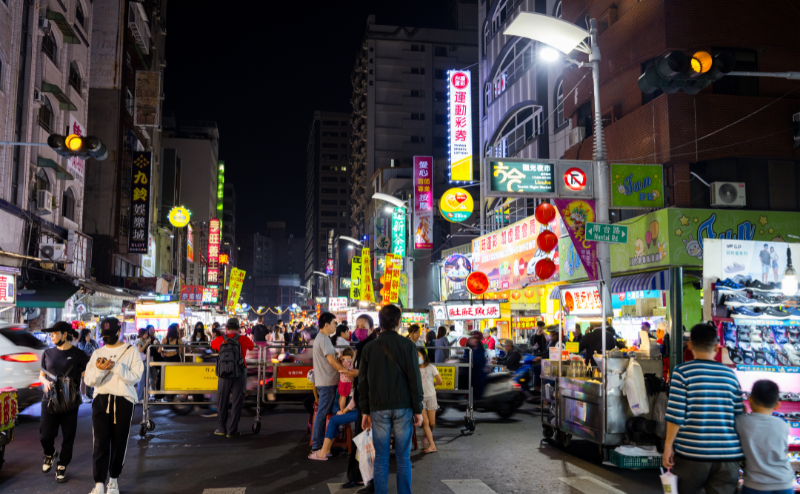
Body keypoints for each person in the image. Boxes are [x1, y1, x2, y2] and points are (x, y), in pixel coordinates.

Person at [663, 323, 744, 494]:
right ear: (716, 346)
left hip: (692, 454)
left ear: (690, 345)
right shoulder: (730, 375)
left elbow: (676, 414)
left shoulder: (682, 372)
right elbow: (738, 415)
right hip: (727, 456)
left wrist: (668, 446)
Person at [358, 304, 423, 494]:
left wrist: (364, 411)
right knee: (403, 457)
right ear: (399, 322)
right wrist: (418, 408)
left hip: (378, 408)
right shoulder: (408, 345)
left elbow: (363, 382)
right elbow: (414, 378)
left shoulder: (369, 348)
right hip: (403, 407)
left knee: (381, 458)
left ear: (380, 322)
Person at [83, 317, 143, 494]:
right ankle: (99, 484)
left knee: (120, 442)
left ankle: (114, 481)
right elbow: (88, 379)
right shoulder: (97, 353)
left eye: (110, 334)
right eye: (104, 335)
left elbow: (136, 376)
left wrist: (115, 366)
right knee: (100, 442)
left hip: (123, 401)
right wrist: (101, 369)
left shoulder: (131, 351)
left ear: (119, 332)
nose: (106, 338)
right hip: (101, 400)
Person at [39, 322, 90, 484]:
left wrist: (75, 380)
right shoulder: (47, 353)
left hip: (69, 402)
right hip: (49, 400)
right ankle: (50, 453)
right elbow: (42, 375)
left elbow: (88, 374)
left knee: (68, 436)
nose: (51, 336)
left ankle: (62, 465)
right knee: (45, 436)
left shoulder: (79, 354)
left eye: (54, 333)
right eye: (50, 333)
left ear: (65, 334)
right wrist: (44, 383)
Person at [735, 379, 795, 494]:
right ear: (777, 405)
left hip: (755, 484)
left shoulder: (740, 422)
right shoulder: (783, 424)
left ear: (750, 399)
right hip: (784, 483)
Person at [343, 315, 377, 491]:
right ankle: (357, 476)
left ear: (372, 328)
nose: (359, 330)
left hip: (368, 401)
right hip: (361, 399)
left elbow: (370, 374)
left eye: (363, 326)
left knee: (364, 440)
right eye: (357, 326)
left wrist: (357, 374)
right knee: (361, 440)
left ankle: (364, 479)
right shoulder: (360, 346)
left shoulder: (371, 347)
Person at [310, 313, 348, 457]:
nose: (335, 326)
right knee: (322, 414)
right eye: (333, 323)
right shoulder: (324, 339)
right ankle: (317, 446)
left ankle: (325, 445)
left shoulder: (321, 339)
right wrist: (345, 371)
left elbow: (331, 360)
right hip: (327, 383)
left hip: (326, 382)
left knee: (326, 414)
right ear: (326, 324)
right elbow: (331, 361)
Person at [309, 347, 357, 460]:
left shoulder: (344, 363)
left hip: (354, 409)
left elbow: (354, 401)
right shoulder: (352, 369)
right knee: (338, 409)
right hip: (355, 408)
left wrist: (343, 411)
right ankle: (327, 449)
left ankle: (324, 451)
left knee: (334, 418)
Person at [209, 318, 254, 436]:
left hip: (224, 373)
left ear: (226, 328)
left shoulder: (220, 339)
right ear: (239, 328)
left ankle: (221, 428)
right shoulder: (243, 339)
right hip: (239, 372)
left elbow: (212, 345)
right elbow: (252, 346)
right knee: (237, 401)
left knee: (222, 400)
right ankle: (232, 430)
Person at [417, 347, 442, 453]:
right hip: (420, 398)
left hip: (431, 396)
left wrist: (432, 384)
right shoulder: (415, 369)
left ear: (424, 355)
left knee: (432, 423)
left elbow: (439, 381)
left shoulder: (432, 367)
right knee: (425, 422)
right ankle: (432, 445)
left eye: (418, 355)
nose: (417, 358)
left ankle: (427, 435)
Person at [78, 328, 99, 401]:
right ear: (84, 335)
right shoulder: (81, 343)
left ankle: (93, 394)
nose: (89, 336)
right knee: (83, 380)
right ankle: (83, 396)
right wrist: (87, 343)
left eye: (90, 334)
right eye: (88, 334)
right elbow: (85, 352)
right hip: (84, 363)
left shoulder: (93, 341)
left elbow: (97, 350)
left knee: (94, 378)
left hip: (93, 362)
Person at [135, 329, 154, 404]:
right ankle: (139, 398)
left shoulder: (145, 341)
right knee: (142, 381)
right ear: (141, 334)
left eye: (147, 333)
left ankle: (145, 397)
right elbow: (140, 350)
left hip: (146, 361)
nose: (146, 335)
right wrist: (147, 343)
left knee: (147, 380)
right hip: (140, 362)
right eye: (145, 333)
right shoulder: (138, 341)